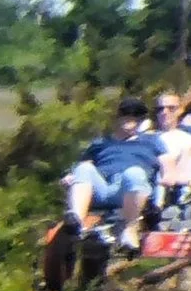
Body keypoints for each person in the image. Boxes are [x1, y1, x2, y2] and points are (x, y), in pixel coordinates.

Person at [65, 97, 163, 251]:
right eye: (126, 114)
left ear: (142, 120)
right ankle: (76, 221)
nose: (131, 119)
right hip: (103, 187)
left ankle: (130, 229)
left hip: (132, 189)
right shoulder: (100, 143)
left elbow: (167, 166)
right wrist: (71, 176)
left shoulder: (152, 141)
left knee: (134, 173)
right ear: (118, 117)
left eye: (136, 116)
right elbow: (84, 167)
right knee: (83, 169)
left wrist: (167, 185)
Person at [150, 92, 191, 196]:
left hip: (179, 176)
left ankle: (184, 197)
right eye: (160, 109)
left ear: (180, 110)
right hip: (157, 175)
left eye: (171, 108)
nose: (164, 112)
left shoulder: (187, 138)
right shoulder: (149, 136)